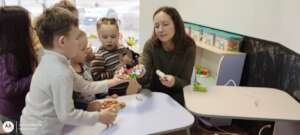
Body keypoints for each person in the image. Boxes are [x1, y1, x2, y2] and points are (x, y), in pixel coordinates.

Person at [20, 7, 128, 135]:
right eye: (76, 38)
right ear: (62, 41)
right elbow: (67, 115)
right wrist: (100, 117)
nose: (79, 43)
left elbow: (85, 86)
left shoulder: (53, 60)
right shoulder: (59, 72)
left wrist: (115, 80)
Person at [137, 6, 196, 106]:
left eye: (165, 24)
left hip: (176, 95)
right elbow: (144, 79)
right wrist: (140, 74)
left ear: (176, 25)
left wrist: (174, 81)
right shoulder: (150, 45)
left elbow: (186, 82)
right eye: (156, 26)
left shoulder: (189, 46)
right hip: (152, 93)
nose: (160, 30)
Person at [0, 6, 38, 134]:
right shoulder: (8, 57)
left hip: (21, 112)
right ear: (18, 33)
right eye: (29, 27)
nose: (33, 30)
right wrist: (35, 76)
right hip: (11, 116)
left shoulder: (21, 53)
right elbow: (8, 89)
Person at [91, 17, 139, 96]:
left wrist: (130, 62)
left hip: (127, 89)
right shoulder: (99, 56)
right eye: (105, 37)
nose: (109, 40)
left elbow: (133, 68)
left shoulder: (122, 49)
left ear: (118, 35)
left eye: (113, 36)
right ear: (99, 37)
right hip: (110, 93)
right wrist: (113, 74)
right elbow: (96, 77)